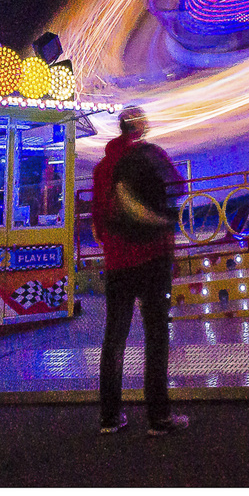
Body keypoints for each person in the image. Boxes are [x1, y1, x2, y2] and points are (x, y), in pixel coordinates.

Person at [91, 106, 190, 437]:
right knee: (156, 336)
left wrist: (116, 244)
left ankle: (110, 417)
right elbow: (178, 187)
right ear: (141, 127)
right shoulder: (152, 154)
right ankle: (158, 418)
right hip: (153, 257)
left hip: (118, 263)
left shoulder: (103, 167)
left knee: (114, 337)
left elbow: (99, 223)